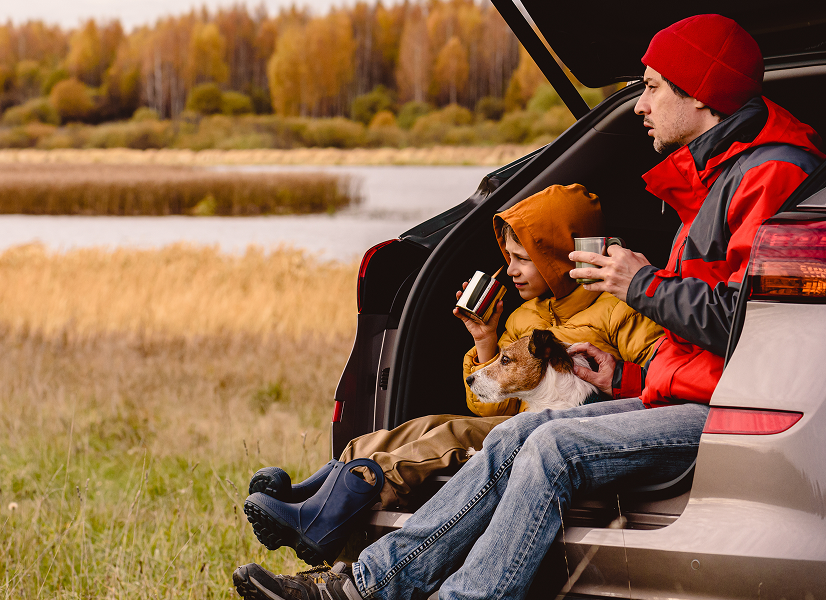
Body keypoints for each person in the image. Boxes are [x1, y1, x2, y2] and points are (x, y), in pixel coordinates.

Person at [233, 14, 825, 600]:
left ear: (700, 94)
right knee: (513, 435)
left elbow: (753, 331)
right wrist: (626, 376)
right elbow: (706, 344)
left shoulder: (771, 175)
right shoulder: (717, 178)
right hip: (689, 397)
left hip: (727, 414)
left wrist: (641, 283)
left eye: (650, 87)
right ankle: (366, 585)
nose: (640, 105)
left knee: (551, 448)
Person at [243, 184, 664, 565]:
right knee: (419, 427)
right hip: (515, 422)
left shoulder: (616, 307)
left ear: (556, 256)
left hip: (565, 429)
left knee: (454, 436)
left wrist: (617, 375)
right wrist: (485, 339)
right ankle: (311, 497)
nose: (512, 270)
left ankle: (322, 521)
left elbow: (659, 372)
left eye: (523, 259)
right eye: (509, 259)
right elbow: (489, 402)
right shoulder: (523, 317)